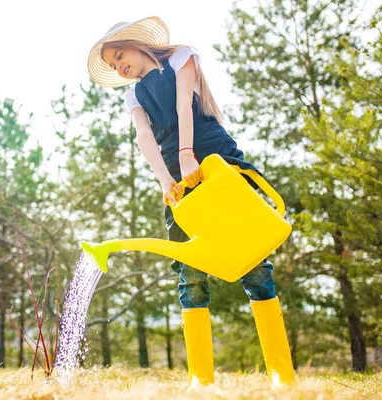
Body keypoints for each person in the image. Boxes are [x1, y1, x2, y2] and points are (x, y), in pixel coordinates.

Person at [87, 16, 295, 388]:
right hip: (175, 177)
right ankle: (202, 382)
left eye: (119, 55)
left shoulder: (182, 57)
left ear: (137, 44)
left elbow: (184, 105)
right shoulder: (133, 93)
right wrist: (166, 178)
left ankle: (282, 376)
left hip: (214, 159)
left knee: (254, 263)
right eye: (112, 64)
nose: (119, 66)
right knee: (190, 270)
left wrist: (188, 155)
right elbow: (143, 137)